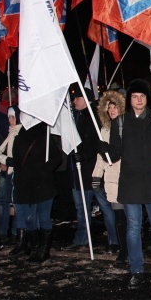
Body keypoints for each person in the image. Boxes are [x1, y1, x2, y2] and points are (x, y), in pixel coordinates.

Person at [100, 78, 151, 288]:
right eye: (134, 96)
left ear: (147, 98)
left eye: (142, 96)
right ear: (129, 99)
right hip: (131, 183)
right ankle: (136, 269)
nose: (138, 100)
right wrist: (103, 148)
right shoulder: (120, 122)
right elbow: (114, 155)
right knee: (133, 229)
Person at [0, 122, 63, 263]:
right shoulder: (19, 137)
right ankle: (34, 248)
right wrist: (7, 160)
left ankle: (44, 251)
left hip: (43, 185)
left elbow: (56, 158)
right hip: (25, 185)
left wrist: (44, 170)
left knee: (44, 218)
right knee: (29, 219)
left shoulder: (45, 136)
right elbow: (19, 161)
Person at [91, 90, 128, 266]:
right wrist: (96, 175)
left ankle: (132, 247)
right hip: (113, 179)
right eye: (109, 107)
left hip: (128, 177)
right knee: (119, 216)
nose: (112, 110)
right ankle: (123, 249)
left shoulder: (127, 127)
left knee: (131, 217)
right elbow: (101, 156)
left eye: (115, 107)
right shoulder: (104, 129)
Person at [61, 87, 100, 251]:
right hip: (77, 171)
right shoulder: (76, 116)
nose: (74, 101)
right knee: (81, 207)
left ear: (85, 99)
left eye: (77, 98)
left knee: (98, 206)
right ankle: (82, 237)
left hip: (90, 171)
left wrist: (83, 155)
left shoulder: (94, 117)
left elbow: (96, 143)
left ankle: (114, 239)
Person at [0, 106, 27, 256]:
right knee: (4, 201)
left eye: (13, 117)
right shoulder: (11, 133)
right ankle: (3, 232)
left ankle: (16, 233)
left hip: (17, 172)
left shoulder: (21, 133)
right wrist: (2, 162)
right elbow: (3, 150)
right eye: (9, 117)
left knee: (16, 203)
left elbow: (18, 157)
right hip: (8, 171)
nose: (10, 120)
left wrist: (7, 162)